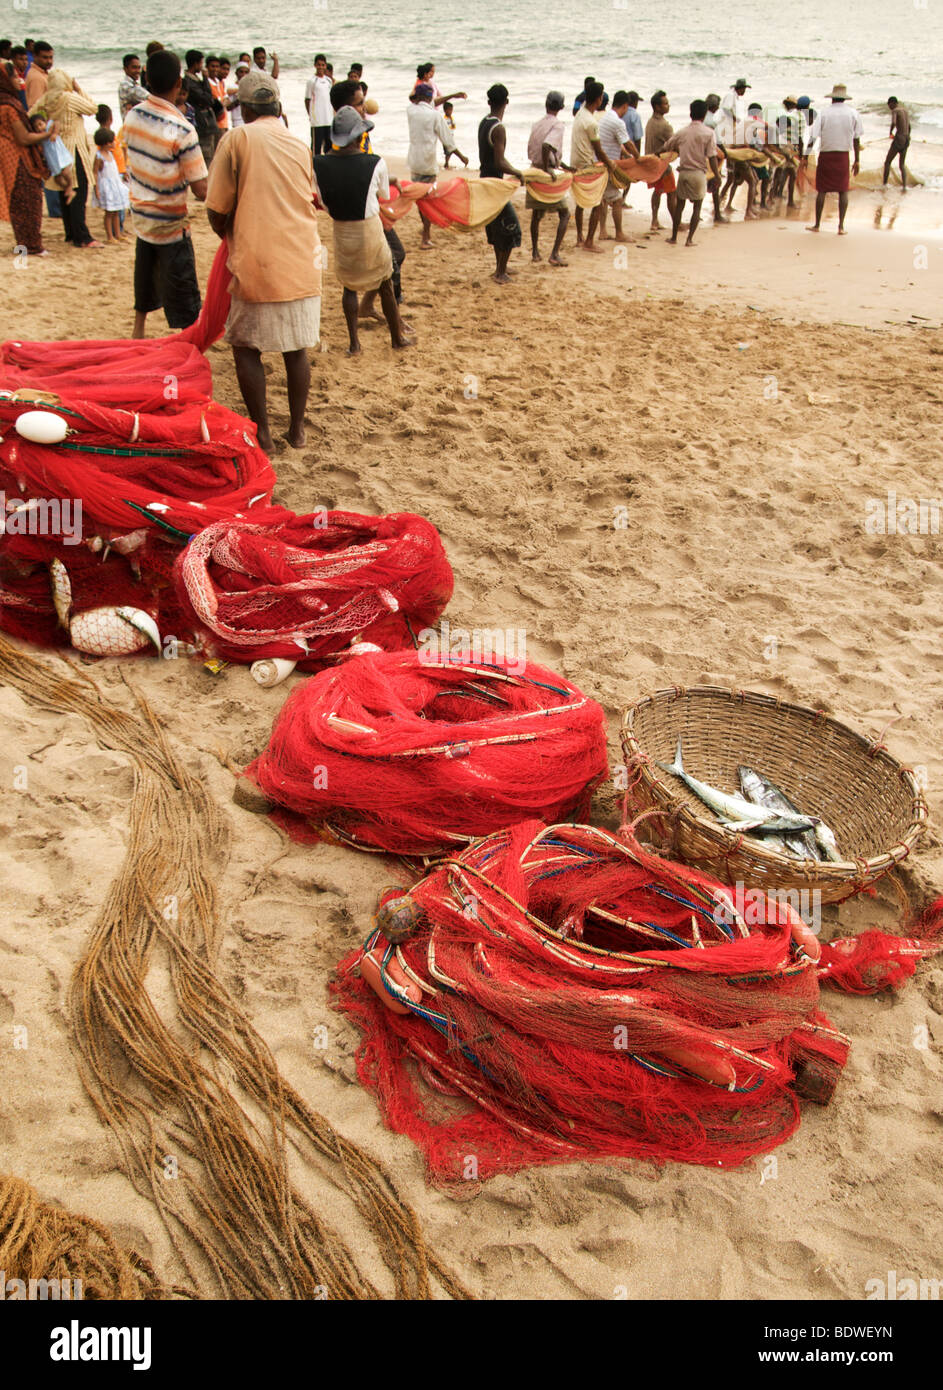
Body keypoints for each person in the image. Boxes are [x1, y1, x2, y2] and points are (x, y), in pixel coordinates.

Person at [206, 70, 322, 451]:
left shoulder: (236, 138)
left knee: (245, 346)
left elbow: (216, 208)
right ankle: (297, 430)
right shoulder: (299, 143)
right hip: (304, 259)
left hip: (258, 261)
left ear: (245, 108)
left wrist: (229, 232)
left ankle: (264, 434)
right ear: (278, 106)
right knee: (295, 348)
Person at [313, 104, 411, 354]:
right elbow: (384, 195)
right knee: (385, 281)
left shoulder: (318, 164)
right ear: (359, 136)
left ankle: (354, 343)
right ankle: (396, 338)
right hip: (368, 229)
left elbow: (323, 202)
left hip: (342, 229)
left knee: (349, 285)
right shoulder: (375, 162)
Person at [124, 48, 207, 334]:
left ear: (146, 77)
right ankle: (187, 340)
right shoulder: (183, 130)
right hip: (170, 223)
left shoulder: (132, 116)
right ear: (178, 84)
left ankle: (138, 330)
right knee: (183, 291)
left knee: (144, 273)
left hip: (141, 217)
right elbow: (200, 190)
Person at [31, 68, 101, 247]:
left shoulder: (46, 99)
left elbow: (30, 115)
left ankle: (70, 232)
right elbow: (93, 108)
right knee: (79, 190)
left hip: (54, 149)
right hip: (74, 148)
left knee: (65, 191)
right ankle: (82, 236)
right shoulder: (69, 97)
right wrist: (78, 89)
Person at [0, 64, 50, 255]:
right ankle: (32, 245)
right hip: (17, 156)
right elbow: (23, 138)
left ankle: (24, 242)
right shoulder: (9, 106)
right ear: (5, 80)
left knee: (18, 201)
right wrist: (47, 134)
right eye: (14, 77)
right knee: (29, 198)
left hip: (7, 156)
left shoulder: (5, 102)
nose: (19, 80)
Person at [478, 83, 524, 283]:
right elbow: (499, 161)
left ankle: (500, 267)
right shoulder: (499, 128)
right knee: (510, 227)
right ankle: (500, 272)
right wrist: (517, 172)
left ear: (489, 102)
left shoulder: (484, 122)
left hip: (484, 179)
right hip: (495, 185)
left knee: (497, 226)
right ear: (507, 102)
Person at [407, 82, 463, 247]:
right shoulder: (435, 116)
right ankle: (426, 236)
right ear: (429, 97)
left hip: (414, 161)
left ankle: (425, 233)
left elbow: (418, 101)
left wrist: (452, 95)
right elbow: (448, 141)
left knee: (420, 198)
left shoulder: (410, 111)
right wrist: (461, 156)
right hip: (428, 161)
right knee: (428, 199)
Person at [802, 83, 861, 235]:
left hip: (826, 154)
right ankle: (841, 227)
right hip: (843, 156)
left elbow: (813, 137)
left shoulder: (824, 113)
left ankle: (817, 225)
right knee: (843, 190)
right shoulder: (853, 113)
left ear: (832, 98)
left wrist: (805, 156)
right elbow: (856, 139)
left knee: (822, 190)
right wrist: (857, 160)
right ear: (844, 98)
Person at [661, 99, 720, 247]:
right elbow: (712, 157)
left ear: (690, 113)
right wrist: (717, 175)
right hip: (698, 174)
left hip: (684, 173)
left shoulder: (682, 132)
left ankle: (674, 237)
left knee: (680, 206)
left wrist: (655, 155)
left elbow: (667, 146)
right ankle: (689, 240)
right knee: (697, 208)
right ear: (704, 114)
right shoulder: (709, 133)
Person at [526, 90, 570, 266]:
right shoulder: (558, 125)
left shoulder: (537, 124)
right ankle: (554, 254)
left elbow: (540, 148)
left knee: (537, 215)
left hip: (534, 170)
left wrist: (563, 166)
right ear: (561, 107)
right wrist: (548, 169)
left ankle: (535, 252)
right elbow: (547, 146)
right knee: (565, 214)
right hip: (545, 172)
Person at [570, 78, 614, 251]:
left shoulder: (580, 114)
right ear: (599, 99)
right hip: (587, 165)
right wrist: (610, 165)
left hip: (576, 163)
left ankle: (580, 236)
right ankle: (589, 241)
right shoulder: (592, 122)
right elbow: (599, 151)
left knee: (580, 203)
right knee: (599, 203)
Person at [597, 89, 639, 244]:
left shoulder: (605, 118)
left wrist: (625, 154)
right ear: (625, 106)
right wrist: (638, 158)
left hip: (599, 162)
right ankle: (619, 233)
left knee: (603, 199)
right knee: (617, 199)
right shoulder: (617, 122)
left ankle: (602, 230)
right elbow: (628, 143)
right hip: (608, 164)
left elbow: (611, 141)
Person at [644, 89, 677, 232]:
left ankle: (654, 220)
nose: (668, 106)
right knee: (671, 192)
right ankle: (676, 221)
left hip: (651, 162)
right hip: (662, 164)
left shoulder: (650, 122)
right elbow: (675, 142)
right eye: (665, 103)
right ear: (657, 106)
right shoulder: (665, 126)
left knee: (658, 191)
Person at [183, 51, 221, 165]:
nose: (202, 66)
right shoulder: (191, 82)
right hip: (202, 124)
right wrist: (205, 79)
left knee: (211, 154)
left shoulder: (194, 80)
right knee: (207, 156)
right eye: (201, 63)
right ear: (195, 64)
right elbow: (208, 99)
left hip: (206, 123)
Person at [92, 126, 128, 243]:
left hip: (115, 184)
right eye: (112, 141)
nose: (114, 143)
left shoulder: (110, 154)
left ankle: (118, 234)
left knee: (116, 211)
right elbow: (95, 173)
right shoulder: (99, 156)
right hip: (107, 186)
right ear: (106, 143)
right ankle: (110, 236)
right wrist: (96, 188)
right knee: (109, 213)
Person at [30, 110, 74, 203]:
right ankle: (68, 189)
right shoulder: (40, 136)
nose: (39, 128)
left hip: (61, 156)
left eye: (40, 124)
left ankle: (70, 186)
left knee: (66, 173)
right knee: (57, 179)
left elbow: (56, 122)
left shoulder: (49, 127)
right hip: (53, 161)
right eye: (36, 127)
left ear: (45, 122)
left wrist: (54, 133)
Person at [305, 53, 333, 155]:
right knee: (316, 147)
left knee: (329, 146)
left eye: (323, 65)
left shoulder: (329, 81)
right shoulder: (311, 81)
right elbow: (307, 99)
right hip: (317, 120)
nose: (321, 67)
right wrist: (311, 115)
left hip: (328, 119)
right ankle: (314, 168)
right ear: (315, 65)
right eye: (318, 65)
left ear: (325, 66)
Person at [884, 97, 911, 190]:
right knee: (902, 164)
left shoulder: (895, 111)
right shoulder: (905, 111)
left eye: (889, 105)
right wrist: (907, 136)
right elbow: (909, 126)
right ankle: (904, 186)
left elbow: (894, 122)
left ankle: (884, 185)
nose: (889, 108)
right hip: (907, 139)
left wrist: (890, 132)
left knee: (887, 162)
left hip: (899, 139)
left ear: (892, 103)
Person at [720, 77, 750, 146]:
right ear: (741, 88)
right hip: (726, 124)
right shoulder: (731, 95)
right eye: (744, 89)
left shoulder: (734, 96)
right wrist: (735, 119)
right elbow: (726, 109)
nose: (744, 91)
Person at [23, 39, 52, 110]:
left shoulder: (41, 74)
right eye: (45, 57)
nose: (49, 61)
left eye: (51, 57)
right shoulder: (37, 78)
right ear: (35, 56)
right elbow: (35, 108)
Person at [119, 54, 148, 120]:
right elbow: (147, 97)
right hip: (130, 127)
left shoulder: (134, 84)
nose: (138, 71)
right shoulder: (125, 85)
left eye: (139, 68)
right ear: (125, 69)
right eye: (134, 67)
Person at [207, 56, 230, 139]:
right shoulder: (207, 84)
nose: (215, 69)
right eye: (213, 66)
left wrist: (222, 105)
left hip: (224, 122)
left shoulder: (219, 83)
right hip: (216, 124)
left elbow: (227, 99)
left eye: (217, 66)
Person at [442, 102, 467, 166]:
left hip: (451, 136)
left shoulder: (451, 118)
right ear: (445, 110)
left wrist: (452, 121)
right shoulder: (444, 119)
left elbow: (453, 127)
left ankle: (447, 162)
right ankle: (447, 162)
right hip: (446, 137)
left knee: (450, 151)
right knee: (448, 151)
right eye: (449, 110)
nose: (450, 112)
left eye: (451, 110)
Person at [228, 63, 250, 128]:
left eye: (246, 72)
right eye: (241, 72)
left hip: (249, 120)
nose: (243, 75)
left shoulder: (251, 87)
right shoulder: (232, 87)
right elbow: (228, 107)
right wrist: (239, 100)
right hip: (237, 120)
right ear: (236, 73)